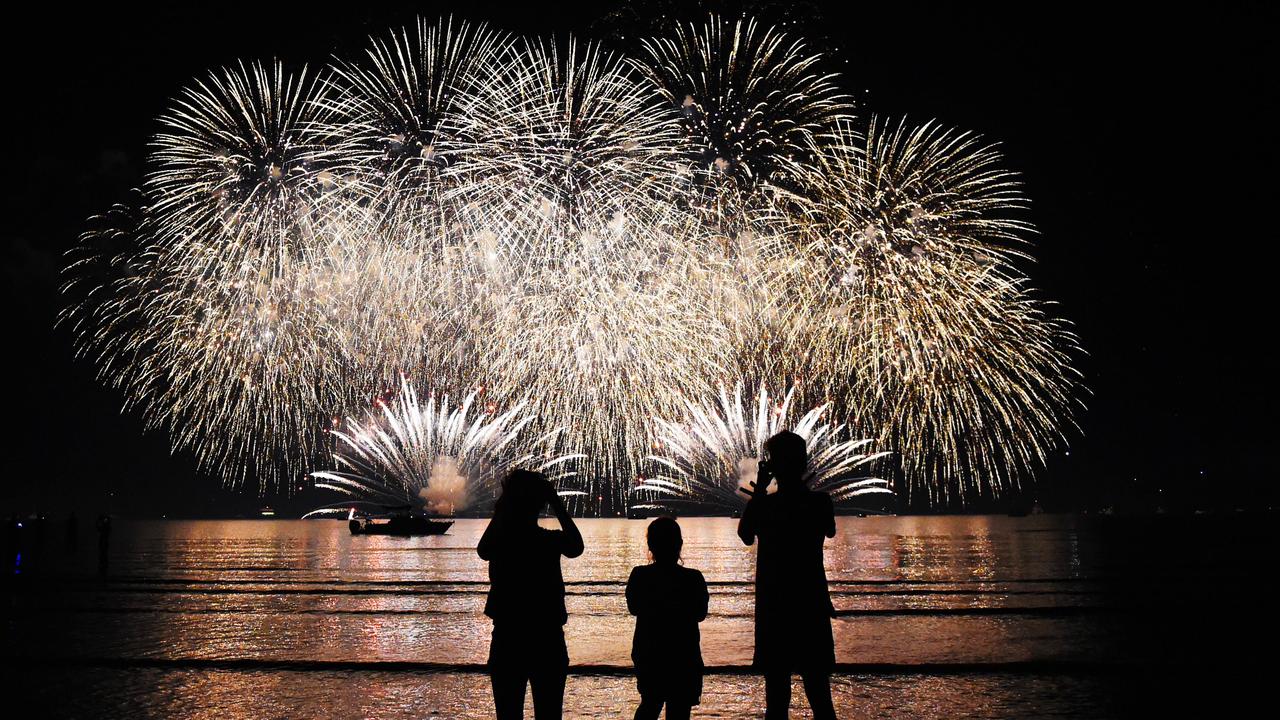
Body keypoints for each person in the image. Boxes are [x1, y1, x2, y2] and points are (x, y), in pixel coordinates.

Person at [738, 431, 838, 720]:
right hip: (811, 603)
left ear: (772, 465)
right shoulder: (820, 502)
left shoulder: (767, 506)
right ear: (804, 462)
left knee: (777, 698)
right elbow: (828, 530)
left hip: (775, 607)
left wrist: (759, 492)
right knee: (820, 694)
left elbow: (745, 535)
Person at [478, 469, 584, 720]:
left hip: (508, 636)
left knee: (508, 714)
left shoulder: (501, 542)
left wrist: (504, 506)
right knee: (549, 715)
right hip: (547, 637)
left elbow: (483, 550)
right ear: (540, 504)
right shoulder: (548, 541)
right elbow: (576, 547)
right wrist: (557, 503)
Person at [626, 517, 709, 720]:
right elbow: (700, 614)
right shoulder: (693, 578)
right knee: (680, 711)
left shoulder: (639, 575)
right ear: (679, 544)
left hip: (649, 654)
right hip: (684, 655)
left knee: (649, 705)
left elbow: (634, 608)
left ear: (650, 545)